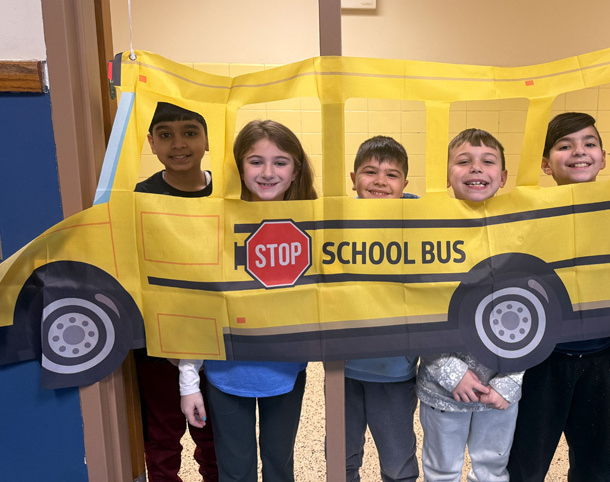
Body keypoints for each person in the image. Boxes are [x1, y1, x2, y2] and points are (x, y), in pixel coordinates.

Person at [180, 119, 317, 482]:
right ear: (240, 168)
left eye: (280, 162)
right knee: (235, 470)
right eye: (256, 161)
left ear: (295, 170)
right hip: (227, 375)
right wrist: (188, 380)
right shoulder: (217, 226)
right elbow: (197, 305)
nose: (268, 172)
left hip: (286, 373)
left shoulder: (317, 227)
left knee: (279, 464)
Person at [507, 112, 610, 482]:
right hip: (541, 361)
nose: (579, 151)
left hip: (599, 360)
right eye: (565, 145)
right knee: (527, 461)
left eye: (589, 143)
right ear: (547, 165)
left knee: (595, 463)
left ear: (604, 156)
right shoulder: (532, 218)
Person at [416, 128, 523, 482]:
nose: (476, 168)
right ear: (448, 176)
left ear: (503, 176)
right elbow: (417, 310)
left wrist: (509, 382)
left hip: (500, 389)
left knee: (491, 469)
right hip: (442, 389)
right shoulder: (429, 235)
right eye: (464, 162)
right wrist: (450, 372)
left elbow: (537, 316)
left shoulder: (519, 236)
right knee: (441, 469)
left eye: (487, 161)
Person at [134, 102, 218, 482]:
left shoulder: (229, 194)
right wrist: (165, 341)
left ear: (205, 139)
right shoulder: (140, 198)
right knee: (162, 439)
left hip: (218, 342)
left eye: (189, 132)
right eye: (165, 134)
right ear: (151, 142)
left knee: (215, 438)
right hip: (158, 344)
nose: (178, 143)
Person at [345, 136, 420, 482]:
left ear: (405, 184)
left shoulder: (422, 226)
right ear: (353, 178)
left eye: (392, 175)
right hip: (341, 369)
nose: (379, 181)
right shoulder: (336, 225)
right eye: (370, 172)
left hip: (394, 371)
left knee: (397, 463)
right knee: (342, 459)